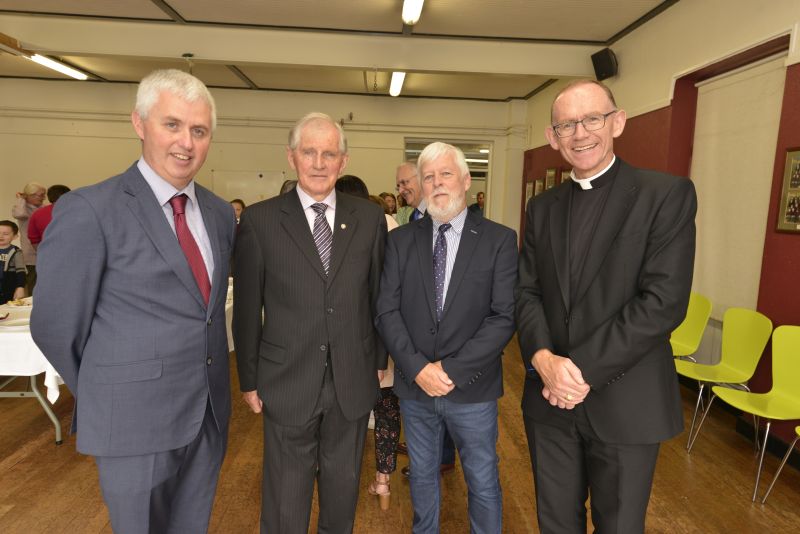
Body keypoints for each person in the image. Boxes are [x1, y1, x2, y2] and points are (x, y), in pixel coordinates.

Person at [30, 69, 236, 534]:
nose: (186, 142)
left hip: (206, 416)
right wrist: (111, 390)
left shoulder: (220, 213)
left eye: (199, 130)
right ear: (139, 123)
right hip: (132, 421)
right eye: (172, 124)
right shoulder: (90, 210)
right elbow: (55, 326)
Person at [515, 79, 697, 533]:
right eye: (566, 125)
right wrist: (542, 359)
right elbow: (526, 292)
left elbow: (663, 303)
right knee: (555, 524)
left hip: (626, 400)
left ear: (618, 122)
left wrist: (576, 372)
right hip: (549, 402)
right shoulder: (542, 207)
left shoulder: (664, 195)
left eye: (592, 119)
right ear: (552, 137)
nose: (580, 134)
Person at [233, 112, 387, 533]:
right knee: (285, 497)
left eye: (329, 154)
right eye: (309, 152)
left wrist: (378, 359)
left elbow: (378, 296)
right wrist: (249, 379)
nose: (319, 163)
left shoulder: (369, 219)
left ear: (343, 161)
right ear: (291, 157)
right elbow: (246, 309)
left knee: (342, 492)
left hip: (352, 377)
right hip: (286, 378)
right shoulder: (260, 221)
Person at [376, 142, 517, 533]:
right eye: (429, 177)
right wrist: (418, 368)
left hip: (472, 387)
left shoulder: (499, 240)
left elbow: (503, 317)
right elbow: (386, 311)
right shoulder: (401, 241)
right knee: (421, 475)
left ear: (466, 181)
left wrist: (451, 370)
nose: (437, 183)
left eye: (446, 174)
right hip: (416, 387)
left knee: (482, 479)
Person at [336, 176, 400, 510]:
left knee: (349, 414)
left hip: (351, 337)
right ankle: (383, 481)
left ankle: (339, 478)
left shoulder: (341, 226)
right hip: (390, 332)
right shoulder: (392, 225)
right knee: (387, 410)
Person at [393, 160, 457, 477]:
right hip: (416, 343)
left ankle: (442, 456)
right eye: (398, 185)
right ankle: (428, 455)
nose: (401, 189)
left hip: (451, 345)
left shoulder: (445, 217)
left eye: (405, 182)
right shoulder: (411, 219)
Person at [11, 182, 45, 295]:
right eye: (40, 195)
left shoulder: (43, 208)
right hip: (31, 253)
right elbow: (19, 214)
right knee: (33, 285)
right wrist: (21, 199)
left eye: (44, 195)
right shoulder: (23, 208)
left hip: (44, 250)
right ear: (29, 195)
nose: (43, 198)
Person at [28, 184, 71, 250]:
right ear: (68, 196)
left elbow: (34, 241)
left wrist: (43, 253)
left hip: (48, 252)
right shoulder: (75, 211)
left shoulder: (37, 214)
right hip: (74, 251)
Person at [0, 220, 26, 304]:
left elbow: (21, 271)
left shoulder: (16, 252)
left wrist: (20, 287)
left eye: (5, 234)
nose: (1, 236)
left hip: (7, 289)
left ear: (15, 236)